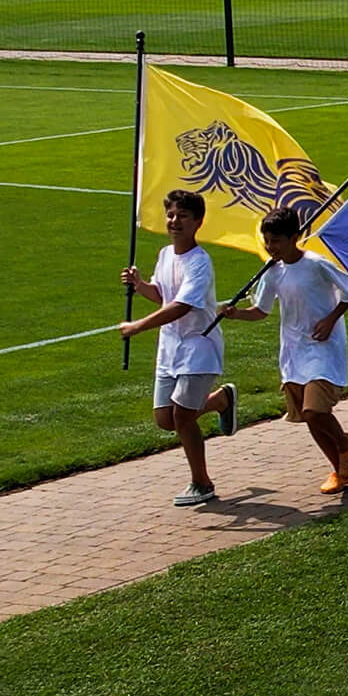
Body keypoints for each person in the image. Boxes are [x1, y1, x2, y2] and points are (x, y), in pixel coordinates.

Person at [220, 207, 348, 495]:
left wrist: (331, 319)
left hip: (323, 346)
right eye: (267, 241)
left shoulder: (316, 264)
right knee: (308, 417)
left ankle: (346, 445)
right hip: (294, 351)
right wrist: (235, 314)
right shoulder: (272, 273)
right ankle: (338, 469)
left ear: (294, 237)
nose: (271, 247)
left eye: (276, 241)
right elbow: (261, 310)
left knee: (315, 409)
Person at [119, 188, 237, 507]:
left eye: (182, 216)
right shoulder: (164, 255)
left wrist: (138, 326)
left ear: (198, 222)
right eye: (171, 215)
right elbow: (164, 294)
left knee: (183, 419)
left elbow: (182, 306)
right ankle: (220, 401)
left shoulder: (200, 262)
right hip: (170, 351)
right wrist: (141, 286)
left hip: (198, 349)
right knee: (165, 419)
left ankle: (202, 482)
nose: (174, 221)